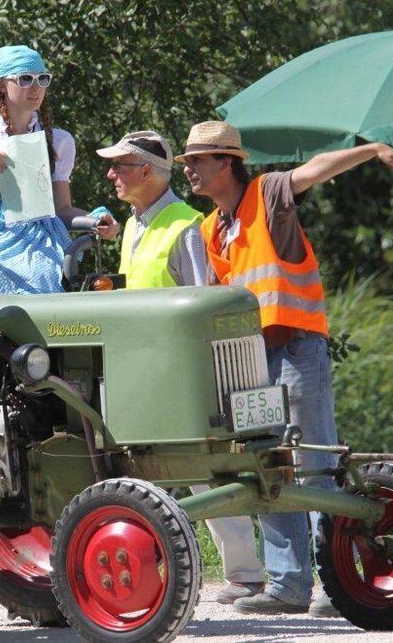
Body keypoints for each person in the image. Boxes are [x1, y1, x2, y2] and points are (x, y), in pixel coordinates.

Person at [178, 120, 393, 616]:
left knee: (314, 464)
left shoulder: (267, 193)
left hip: (296, 349)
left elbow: (315, 171)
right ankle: (288, 585)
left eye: (197, 161)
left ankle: (335, 582)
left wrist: (369, 150)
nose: (189, 171)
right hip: (250, 362)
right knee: (268, 466)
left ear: (226, 162)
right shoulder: (208, 229)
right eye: (186, 162)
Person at [97, 129, 266, 604]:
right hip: (140, 369)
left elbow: (202, 301)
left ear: (146, 172)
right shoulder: (133, 224)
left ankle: (246, 574)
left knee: (206, 471)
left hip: (182, 373)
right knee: (140, 476)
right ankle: (155, 576)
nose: (111, 174)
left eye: (119, 166)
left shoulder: (185, 224)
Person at [0, 44, 118, 295]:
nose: (36, 87)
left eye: (42, 79)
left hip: (41, 240)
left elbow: (61, 209)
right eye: (25, 79)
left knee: (51, 274)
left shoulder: (56, 141)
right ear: (1, 85)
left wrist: (94, 222)